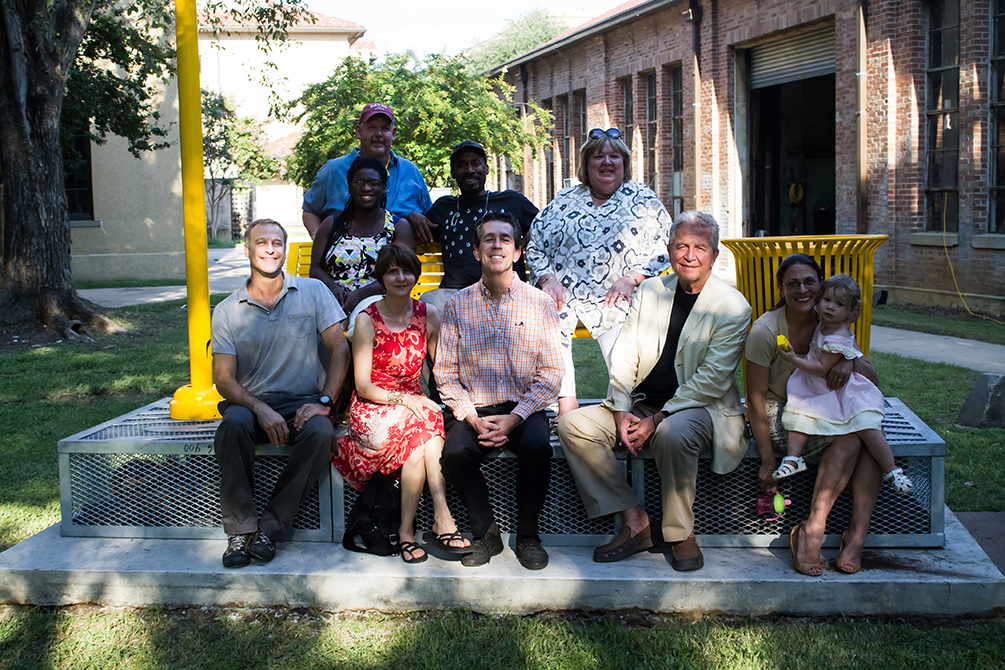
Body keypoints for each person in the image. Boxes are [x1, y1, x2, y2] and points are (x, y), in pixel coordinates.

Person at [558, 211, 750, 571]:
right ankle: (636, 520)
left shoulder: (733, 307)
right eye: (681, 246)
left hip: (700, 410)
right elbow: (626, 351)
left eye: (699, 247)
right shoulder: (651, 290)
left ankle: (681, 532)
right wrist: (620, 408)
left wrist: (659, 418)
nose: (689, 255)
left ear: (714, 254)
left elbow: (712, 379)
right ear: (669, 249)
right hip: (642, 404)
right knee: (573, 426)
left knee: (672, 433)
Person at [212, 218, 350, 569]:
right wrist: (260, 409)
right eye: (261, 243)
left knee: (321, 434)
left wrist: (324, 402)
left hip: (302, 402)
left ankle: (270, 529)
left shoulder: (313, 291)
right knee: (231, 426)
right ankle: (240, 531)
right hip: (251, 403)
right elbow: (224, 380)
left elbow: (340, 350)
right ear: (247, 250)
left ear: (285, 249)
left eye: (277, 242)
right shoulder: (227, 310)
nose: (270, 249)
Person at [434, 212, 563, 570]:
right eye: (488, 239)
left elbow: (552, 372)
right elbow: (445, 373)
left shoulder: (539, 303)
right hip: (474, 408)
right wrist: (473, 419)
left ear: (517, 251)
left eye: (505, 239)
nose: (496, 245)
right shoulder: (458, 304)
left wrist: (516, 417)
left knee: (538, 446)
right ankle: (486, 531)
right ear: (476, 252)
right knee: (456, 452)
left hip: (523, 407)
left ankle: (527, 535)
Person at [744, 254, 882, 576]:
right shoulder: (764, 331)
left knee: (867, 427)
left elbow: (873, 379)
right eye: (793, 284)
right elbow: (755, 398)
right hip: (784, 414)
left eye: (810, 282)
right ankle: (814, 531)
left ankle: (855, 538)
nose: (802, 290)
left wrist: (850, 359)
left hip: (824, 408)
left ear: (821, 286)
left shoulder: (832, 322)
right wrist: (767, 460)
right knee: (853, 437)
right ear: (781, 288)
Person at [333, 244, 470, 563]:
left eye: (406, 270)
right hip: (374, 408)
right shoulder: (368, 320)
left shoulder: (428, 314)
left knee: (425, 432)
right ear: (381, 276)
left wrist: (456, 403)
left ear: (415, 275)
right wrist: (409, 400)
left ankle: (408, 531)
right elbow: (364, 386)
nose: (400, 277)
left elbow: (442, 369)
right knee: (424, 422)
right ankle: (442, 517)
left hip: (413, 407)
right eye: (392, 271)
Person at [526, 127, 672, 418]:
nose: (607, 162)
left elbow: (665, 244)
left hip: (619, 294)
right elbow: (535, 245)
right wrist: (547, 279)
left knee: (623, 330)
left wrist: (633, 277)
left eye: (614, 156)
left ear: (624, 163)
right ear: (586, 164)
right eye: (598, 156)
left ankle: (618, 408)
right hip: (565, 294)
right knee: (546, 318)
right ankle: (566, 406)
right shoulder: (565, 200)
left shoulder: (642, 198)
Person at [774, 274, 913, 495]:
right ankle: (793, 457)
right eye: (827, 299)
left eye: (839, 305)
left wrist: (793, 359)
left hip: (841, 388)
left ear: (851, 313)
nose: (830, 307)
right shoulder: (826, 323)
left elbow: (821, 368)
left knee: (867, 426)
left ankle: (892, 469)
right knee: (798, 413)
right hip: (819, 385)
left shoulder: (837, 335)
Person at [420, 140, 539, 313]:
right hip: (455, 293)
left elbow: (547, 226)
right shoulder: (443, 207)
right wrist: (412, 216)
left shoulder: (513, 201)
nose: (469, 170)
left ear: (486, 169)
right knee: (426, 305)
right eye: (462, 165)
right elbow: (415, 231)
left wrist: (534, 231)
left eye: (475, 163)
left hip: (505, 291)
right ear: (453, 172)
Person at [301, 103, 435, 243]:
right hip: (346, 260)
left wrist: (411, 217)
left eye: (385, 128)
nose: (378, 134)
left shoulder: (410, 171)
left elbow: (429, 216)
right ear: (358, 131)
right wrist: (319, 239)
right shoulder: (332, 171)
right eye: (371, 127)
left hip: (400, 260)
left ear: (393, 134)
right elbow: (310, 210)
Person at [309, 156, 415, 324]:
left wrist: (359, 295)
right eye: (359, 183)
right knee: (311, 326)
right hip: (333, 299)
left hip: (379, 300)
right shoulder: (332, 224)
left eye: (373, 183)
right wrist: (334, 289)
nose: (366, 188)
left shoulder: (398, 227)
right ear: (350, 188)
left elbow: (403, 274)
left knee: (361, 319)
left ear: (384, 188)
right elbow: (315, 268)